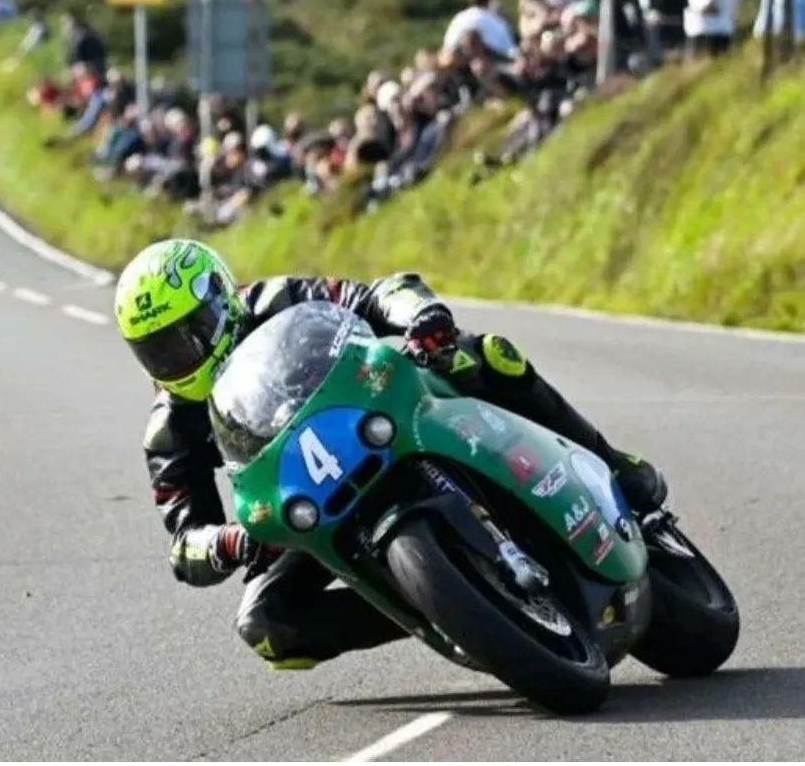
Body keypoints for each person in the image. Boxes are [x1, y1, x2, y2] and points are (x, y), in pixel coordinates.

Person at [116, 239, 667, 670]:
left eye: (190, 333)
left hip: (387, 414)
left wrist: (421, 316)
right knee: (266, 625)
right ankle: (443, 608)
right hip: (315, 504)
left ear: (219, 297)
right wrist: (228, 542)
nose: (180, 355)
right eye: (158, 349)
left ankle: (614, 463)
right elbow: (183, 541)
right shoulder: (170, 427)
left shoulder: (277, 299)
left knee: (485, 357)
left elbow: (376, 293)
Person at [442, 0, 518, 61]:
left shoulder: (459, 17)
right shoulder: (493, 18)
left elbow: (448, 43)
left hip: (452, 57)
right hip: (493, 61)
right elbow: (508, 47)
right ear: (487, 2)